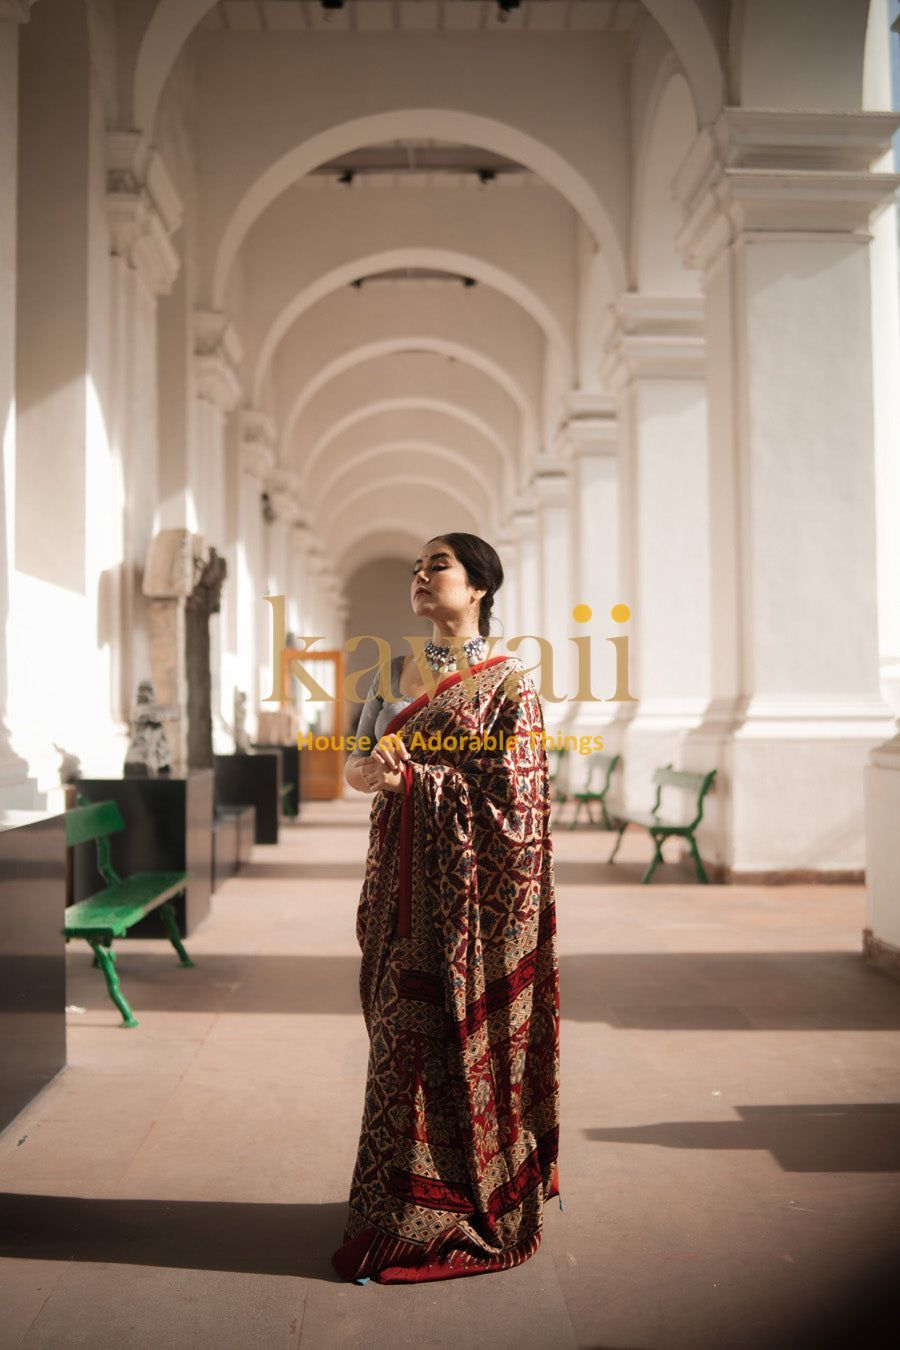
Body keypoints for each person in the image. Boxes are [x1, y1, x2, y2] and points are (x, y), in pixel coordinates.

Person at [332, 532, 561, 1285]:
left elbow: (519, 805)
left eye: (439, 565)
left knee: (446, 1044)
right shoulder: (393, 673)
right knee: (399, 1040)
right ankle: (394, 1208)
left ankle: (455, 1205)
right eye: (417, 568)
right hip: (398, 888)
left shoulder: (507, 685)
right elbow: (355, 767)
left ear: (480, 586)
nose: (422, 576)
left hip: (468, 907)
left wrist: (420, 785)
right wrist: (377, 772)